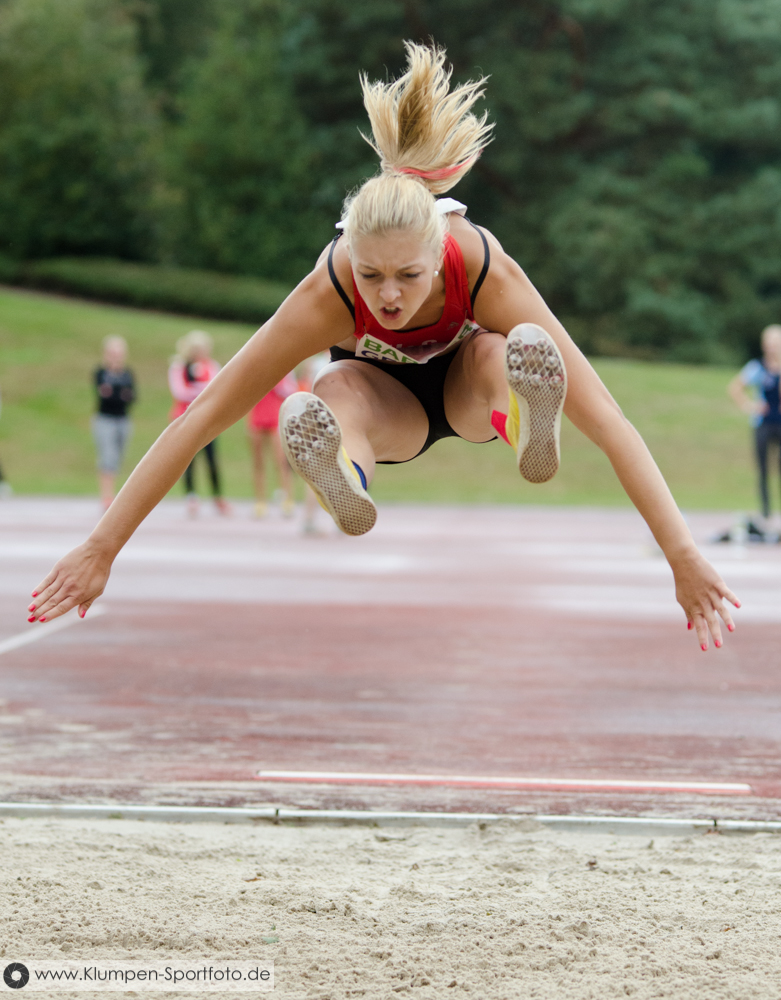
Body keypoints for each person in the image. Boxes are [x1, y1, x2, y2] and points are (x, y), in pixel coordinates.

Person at [28, 42, 738, 652]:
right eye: (371, 275)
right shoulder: (326, 292)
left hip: (467, 389)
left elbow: (609, 419)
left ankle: (526, 426)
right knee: (328, 396)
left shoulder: (483, 265)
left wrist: (681, 554)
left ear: (440, 253)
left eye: (408, 276)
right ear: (348, 255)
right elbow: (204, 413)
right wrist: (101, 548)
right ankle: (344, 477)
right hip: (384, 403)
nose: (389, 295)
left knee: (505, 352)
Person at [168, 330, 230, 518]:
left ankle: (217, 496)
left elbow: (217, 388)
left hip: (206, 419)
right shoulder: (179, 367)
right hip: (184, 417)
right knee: (187, 459)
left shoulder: (211, 366)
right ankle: (191, 496)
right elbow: (180, 391)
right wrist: (200, 390)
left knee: (211, 458)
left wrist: (196, 390)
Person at [729, 325, 781, 532]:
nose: (772, 348)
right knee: (763, 469)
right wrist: (749, 406)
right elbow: (735, 387)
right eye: (768, 344)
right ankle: (766, 512)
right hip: (763, 424)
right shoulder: (757, 367)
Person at [92, 336, 136, 510]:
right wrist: (119, 393)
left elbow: (131, 396)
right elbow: (104, 396)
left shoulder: (127, 374)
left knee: (118, 457)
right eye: (112, 353)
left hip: (123, 419)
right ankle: (107, 497)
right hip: (105, 419)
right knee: (107, 457)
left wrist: (115, 392)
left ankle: (114, 494)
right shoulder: (101, 373)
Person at [247, 372, 298, 518]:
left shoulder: (285, 370)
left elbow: (291, 390)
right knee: (258, 462)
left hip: (275, 417)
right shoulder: (255, 370)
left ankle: (287, 500)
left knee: (281, 461)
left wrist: (275, 380)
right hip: (257, 417)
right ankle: (260, 502)